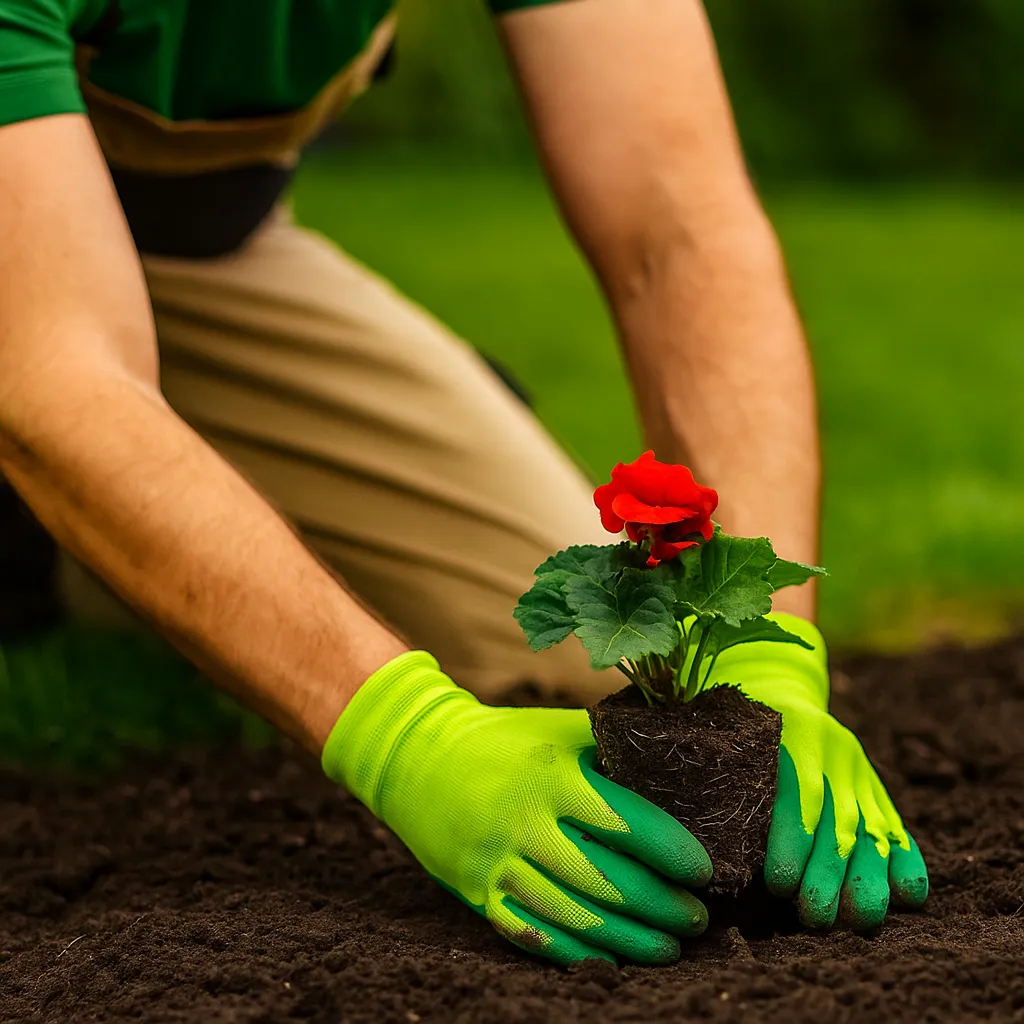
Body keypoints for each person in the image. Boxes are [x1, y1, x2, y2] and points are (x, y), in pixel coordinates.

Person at [0, 0, 927, 965]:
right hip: (29, 275)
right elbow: (59, 378)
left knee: (579, 664)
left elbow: (679, 229)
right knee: (43, 403)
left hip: (194, 257)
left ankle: (78, 536)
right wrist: (409, 740)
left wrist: (769, 661)